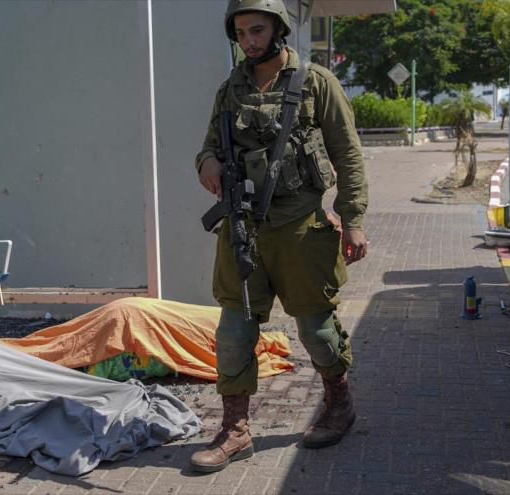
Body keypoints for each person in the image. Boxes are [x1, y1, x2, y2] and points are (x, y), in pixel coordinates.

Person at [190, 0, 369, 473]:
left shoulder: (315, 82)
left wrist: (352, 218)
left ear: (277, 29)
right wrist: (206, 161)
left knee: (315, 329)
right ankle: (235, 430)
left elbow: (348, 154)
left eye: (257, 29)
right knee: (232, 332)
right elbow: (210, 141)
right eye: (241, 33)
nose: (249, 40)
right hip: (242, 228)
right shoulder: (231, 88)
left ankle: (339, 404)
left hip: (301, 229)